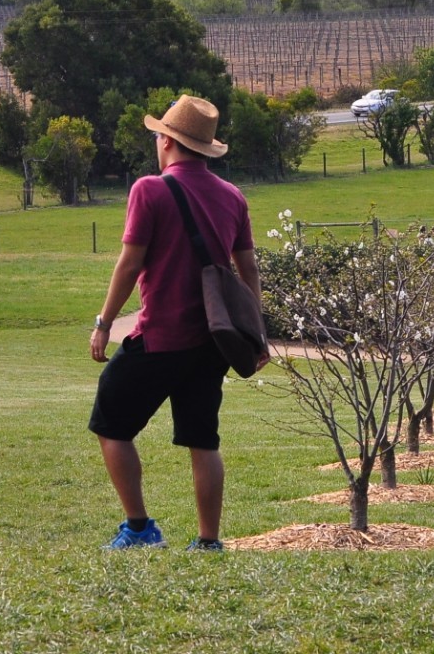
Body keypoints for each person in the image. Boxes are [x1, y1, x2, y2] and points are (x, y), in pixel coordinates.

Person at [89, 95, 262, 552]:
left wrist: (105, 321)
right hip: (212, 344)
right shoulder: (233, 197)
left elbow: (129, 264)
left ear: (166, 141)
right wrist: (255, 332)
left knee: (111, 423)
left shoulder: (149, 189)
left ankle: (141, 529)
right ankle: (208, 541)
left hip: (160, 336)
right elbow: (250, 271)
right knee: (203, 440)